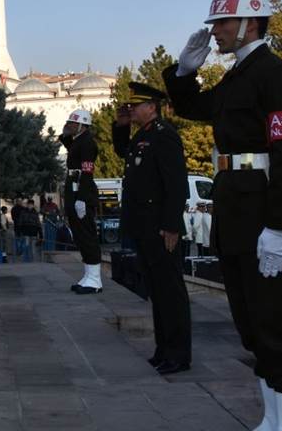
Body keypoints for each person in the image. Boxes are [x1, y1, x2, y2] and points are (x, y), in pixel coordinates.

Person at [163, 0, 282, 429]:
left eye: (223, 23)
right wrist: (184, 72)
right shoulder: (238, 77)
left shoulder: (277, 76)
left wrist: (281, 226)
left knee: (278, 327)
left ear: (249, 24)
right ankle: (273, 418)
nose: (216, 32)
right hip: (237, 212)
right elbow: (196, 109)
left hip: (264, 211)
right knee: (253, 327)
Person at [113, 81, 191, 375]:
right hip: (144, 225)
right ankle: (164, 348)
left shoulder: (164, 136)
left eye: (136, 106)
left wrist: (171, 225)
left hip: (161, 227)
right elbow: (124, 152)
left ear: (152, 108)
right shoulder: (143, 135)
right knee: (157, 291)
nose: (131, 109)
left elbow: (176, 185)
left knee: (171, 292)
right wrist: (121, 126)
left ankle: (179, 354)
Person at [60, 109, 102, 294]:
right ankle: (88, 275)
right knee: (79, 234)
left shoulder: (87, 143)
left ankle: (95, 279)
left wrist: (82, 198)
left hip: (81, 189)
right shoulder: (78, 141)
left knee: (86, 234)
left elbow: (87, 172)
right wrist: (66, 131)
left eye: (72, 123)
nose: (69, 125)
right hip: (73, 187)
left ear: (83, 125)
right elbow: (68, 143)